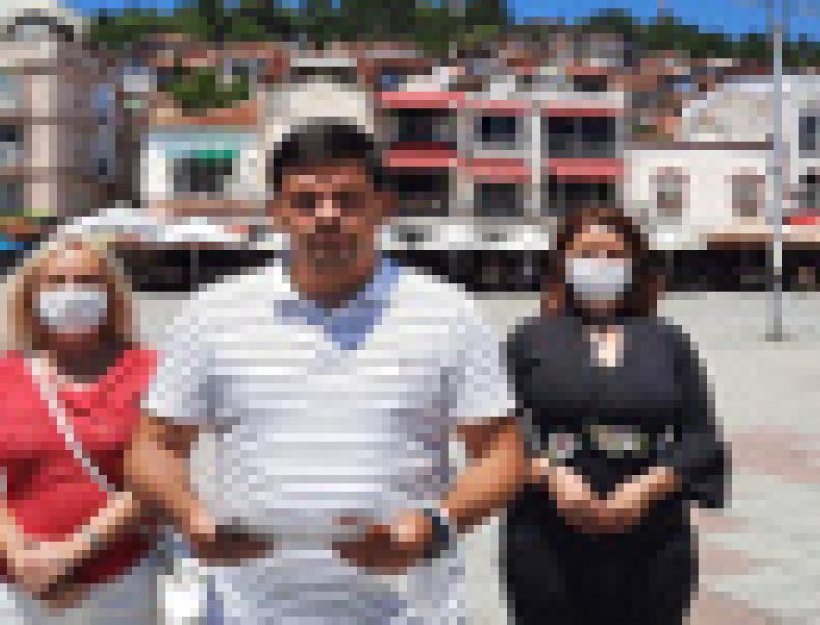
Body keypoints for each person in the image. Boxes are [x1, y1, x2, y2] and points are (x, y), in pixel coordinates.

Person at [125, 120, 526, 624]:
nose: (327, 216)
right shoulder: (211, 314)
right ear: (276, 211)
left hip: (411, 611)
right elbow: (155, 446)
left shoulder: (450, 314)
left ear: (382, 206)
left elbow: (500, 453)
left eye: (347, 200)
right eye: (306, 202)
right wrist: (190, 516)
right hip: (249, 611)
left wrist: (436, 526)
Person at [499, 207, 730, 625]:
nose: (600, 264)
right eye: (587, 253)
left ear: (635, 264)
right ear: (563, 262)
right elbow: (497, 430)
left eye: (614, 254)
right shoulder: (528, 339)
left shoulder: (668, 340)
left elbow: (701, 437)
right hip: (546, 533)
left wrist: (647, 487)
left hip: (652, 535)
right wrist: (548, 475)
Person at [0, 234, 167, 624]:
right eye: (56, 281)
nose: (72, 293)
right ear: (31, 295)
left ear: (113, 294)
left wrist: (71, 553)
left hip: (119, 581)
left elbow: (159, 481)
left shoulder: (150, 371)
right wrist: (18, 552)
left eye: (88, 281)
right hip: (21, 582)